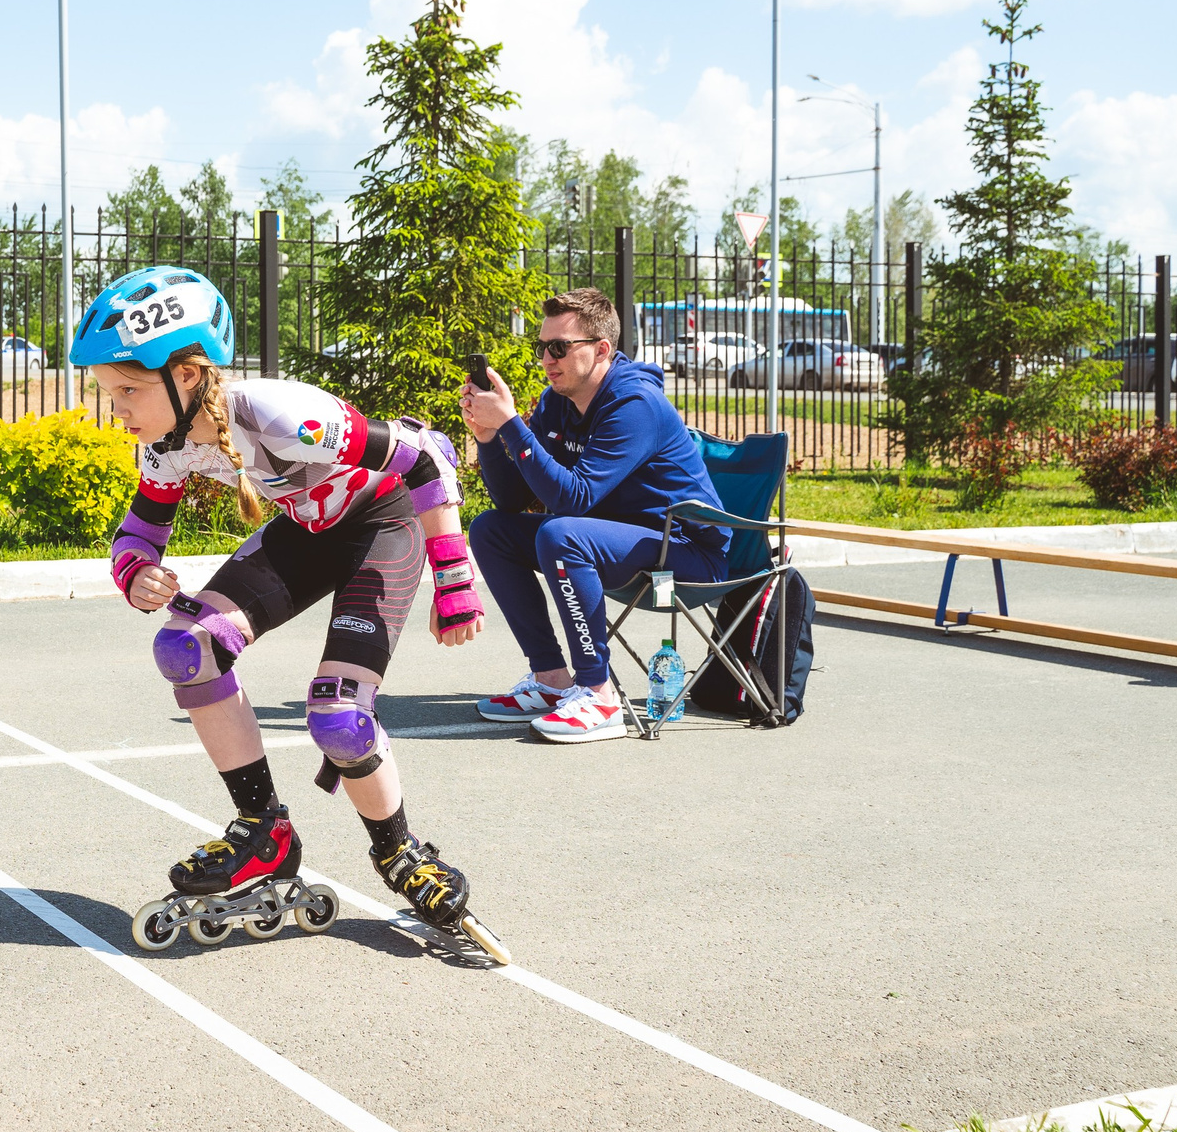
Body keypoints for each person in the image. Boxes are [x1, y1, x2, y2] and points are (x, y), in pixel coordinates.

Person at [80, 265, 506, 960]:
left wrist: (454, 576)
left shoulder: (282, 414)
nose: (117, 406)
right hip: (310, 531)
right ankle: (262, 828)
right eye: (109, 391)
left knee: (338, 717)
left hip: (384, 522)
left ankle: (401, 851)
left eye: (128, 389)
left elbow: (425, 460)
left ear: (187, 376)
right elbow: (140, 531)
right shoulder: (165, 440)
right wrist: (135, 572)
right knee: (187, 645)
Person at [462, 288, 728, 744]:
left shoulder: (635, 403)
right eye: (542, 347)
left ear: (601, 349)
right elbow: (511, 501)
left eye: (560, 347)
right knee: (491, 530)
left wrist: (512, 425)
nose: (547, 358)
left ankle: (599, 695)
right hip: (619, 541)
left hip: (685, 553)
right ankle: (551, 680)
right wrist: (489, 438)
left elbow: (574, 500)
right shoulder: (556, 402)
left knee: (562, 534)